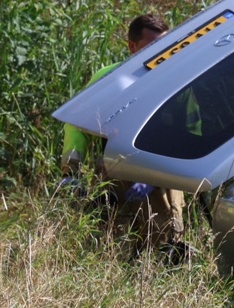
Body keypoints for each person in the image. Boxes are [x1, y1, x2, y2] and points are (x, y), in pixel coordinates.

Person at [62, 14, 188, 255]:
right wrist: (72, 169)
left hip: (162, 177)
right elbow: (76, 123)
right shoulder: (109, 79)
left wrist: (154, 175)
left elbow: (191, 134)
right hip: (114, 175)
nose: (159, 53)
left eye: (164, 45)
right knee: (112, 245)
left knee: (166, 243)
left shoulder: (179, 83)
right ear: (131, 46)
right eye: (151, 46)